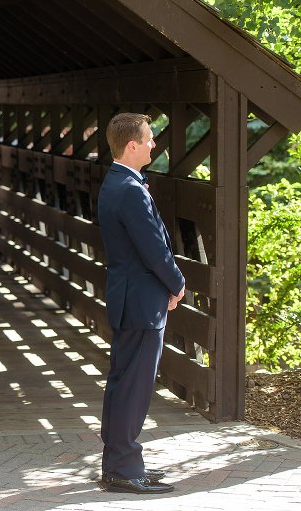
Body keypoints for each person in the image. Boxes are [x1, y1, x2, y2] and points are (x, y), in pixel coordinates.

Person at [97, 112, 185, 494]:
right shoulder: (130, 189)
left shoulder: (116, 181)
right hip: (141, 301)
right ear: (131, 145)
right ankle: (122, 470)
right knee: (133, 388)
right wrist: (178, 283)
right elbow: (152, 248)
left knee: (123, 385)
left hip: (130, 298)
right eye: (149, 139)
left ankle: (122, 463)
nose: (153, 144)